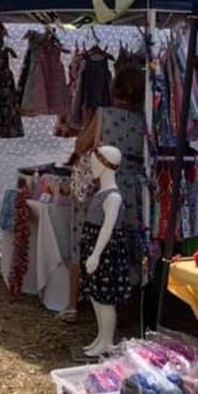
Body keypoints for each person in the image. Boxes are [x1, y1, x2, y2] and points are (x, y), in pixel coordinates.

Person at [64, 56, 147, 324]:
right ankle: (123, 302)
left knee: (82, 240)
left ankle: (72, 304)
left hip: (101, 186)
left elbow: (80, 147)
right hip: (131, 188)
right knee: (122, 242)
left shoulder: (103, 114)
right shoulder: (145, 122)